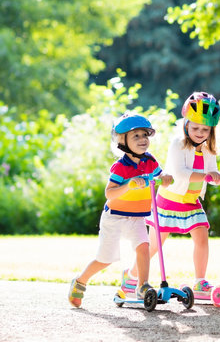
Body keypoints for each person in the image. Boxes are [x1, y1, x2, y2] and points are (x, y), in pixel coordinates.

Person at [120, 92, 220, 299]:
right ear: (186, 124)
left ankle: (200, 282)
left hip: (191, 201)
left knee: (202, 237)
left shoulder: (209, 149)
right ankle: (131, 277)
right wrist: (207, 175)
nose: (200, 132)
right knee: (155, 245)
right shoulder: (178, 143)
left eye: (205, 129)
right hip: (169, 200)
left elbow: (212, 174)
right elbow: (179, 174)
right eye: (195, 128)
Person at [68, 113, 173, 307]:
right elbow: (110, 193)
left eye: (145, 135)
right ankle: (80, 281)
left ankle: (142, 286)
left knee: (143, 248)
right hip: (114, 217)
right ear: (122, 141)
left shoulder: (150, 161)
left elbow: (161, 176)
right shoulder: (120, 167)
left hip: (137, 218)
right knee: (105, 259)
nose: (143, 140)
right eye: (136, 136)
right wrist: (129, 185)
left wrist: (166, 178)